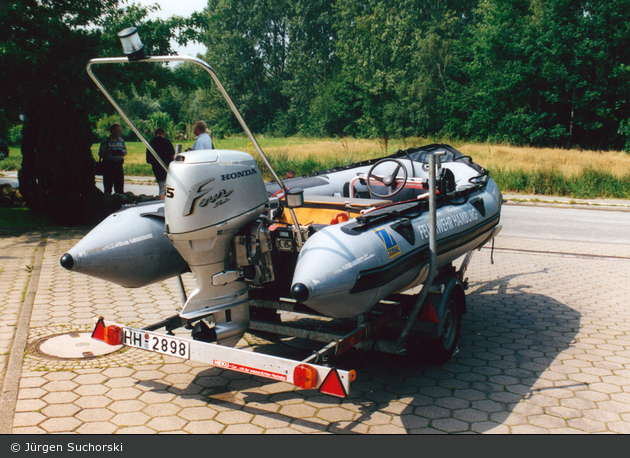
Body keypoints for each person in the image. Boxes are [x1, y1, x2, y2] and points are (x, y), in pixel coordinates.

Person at [146, 127, 175, 199]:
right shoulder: (166, 142)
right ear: (163, 134)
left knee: (161, 188)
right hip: (167, 168)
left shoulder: (151, 143)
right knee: (169, 189)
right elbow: (173, 155)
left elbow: (148, 159)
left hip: (156, 168)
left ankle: (161, 200)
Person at [99, 123, 127, 194]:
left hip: (118, 164)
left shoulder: (121, 141)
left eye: (120, 131)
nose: (120, 132)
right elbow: (101, 154)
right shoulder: (106, 141)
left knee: (119, 186)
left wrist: (122, 153)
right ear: (113, 131)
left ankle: (119, 200)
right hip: (109, 165)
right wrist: (108, 152)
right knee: (108, 186)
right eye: (118, 131)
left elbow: (125, 151)